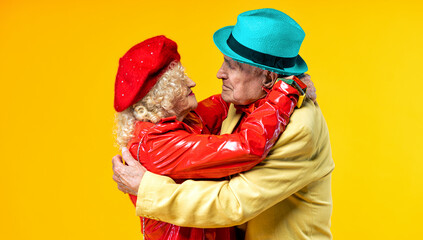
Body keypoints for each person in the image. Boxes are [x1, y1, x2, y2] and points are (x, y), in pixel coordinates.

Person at [113, 8, 334, 240]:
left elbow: (232, 203)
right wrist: (288, 87)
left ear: (268, 78)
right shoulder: (237, 105)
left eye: (231, 65)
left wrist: (146, 189)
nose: (219, 74)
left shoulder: (299, 127)